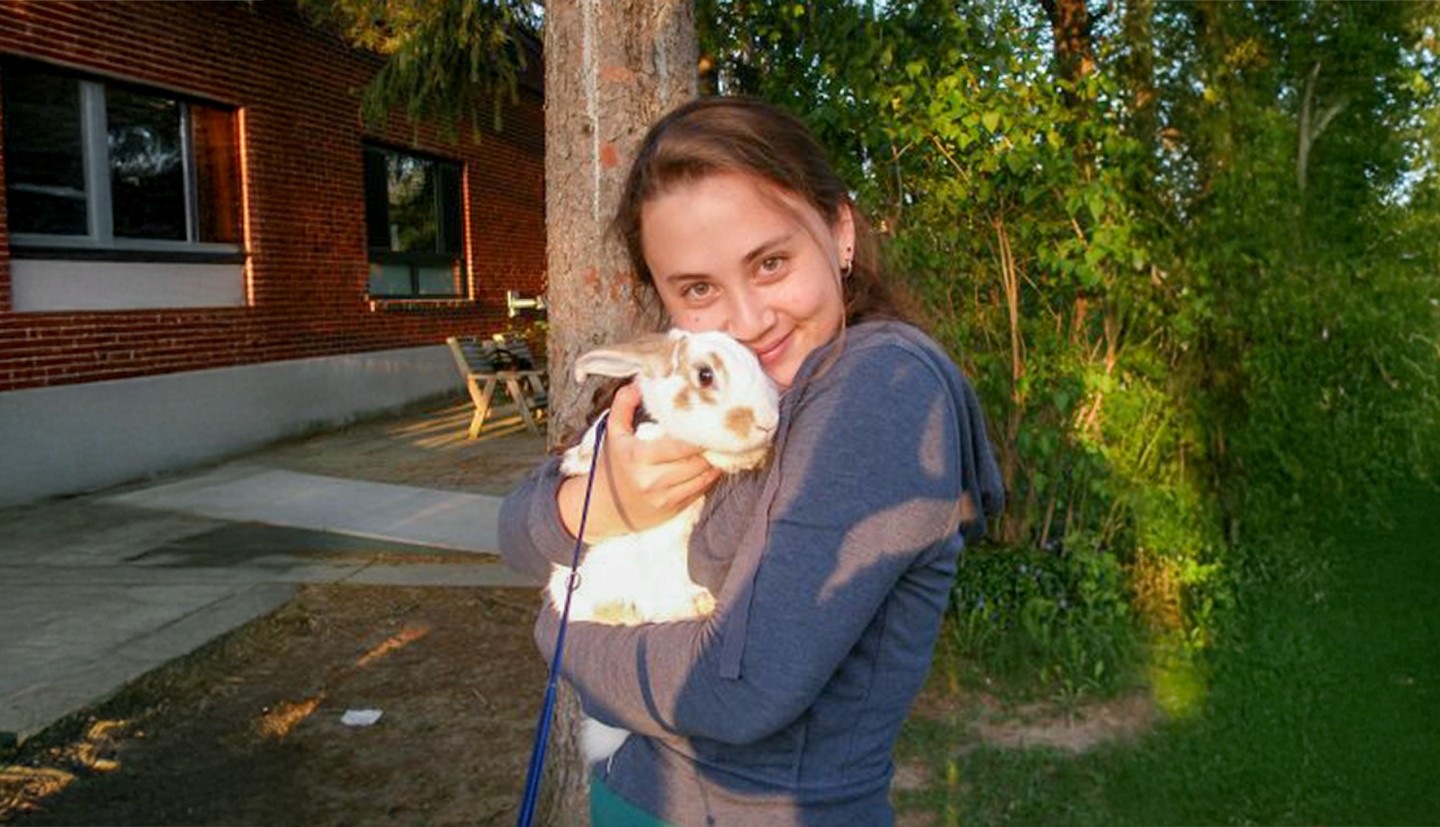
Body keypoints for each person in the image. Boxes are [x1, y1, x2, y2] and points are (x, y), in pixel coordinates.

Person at [499, 96, 1003, 826]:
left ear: (840, 232)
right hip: (636, 793)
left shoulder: (880, 386)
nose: (745, 319)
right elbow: (516, 525)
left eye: (770, 262)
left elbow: (740, 689)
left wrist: (557, 632)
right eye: (698, 289)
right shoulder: (709, 385)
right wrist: (600, 505)